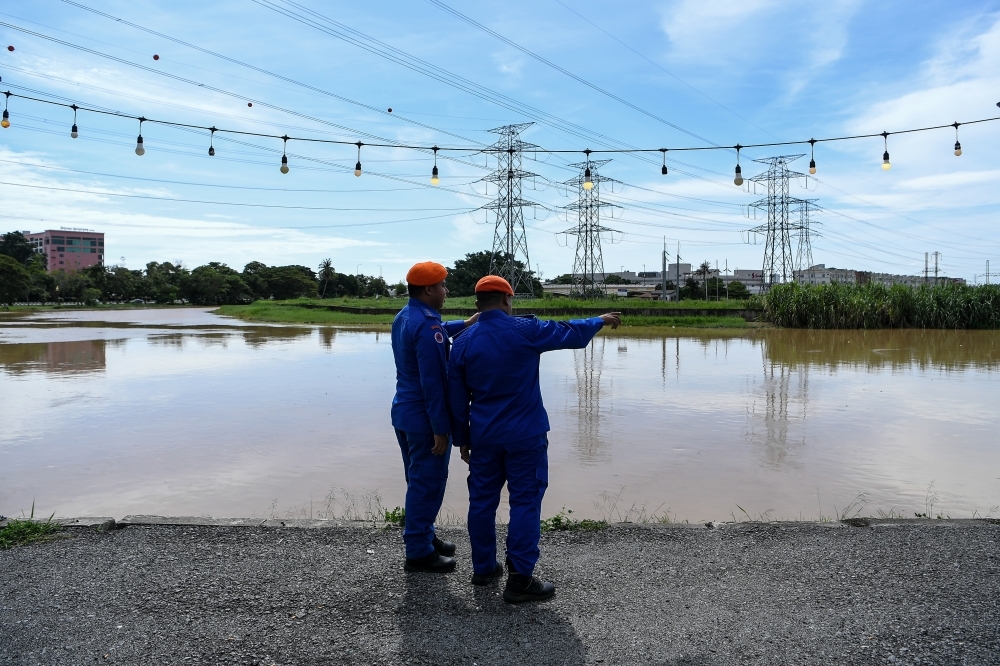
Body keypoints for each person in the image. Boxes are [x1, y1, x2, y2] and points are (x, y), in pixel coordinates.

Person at [448, 275, 621, 602]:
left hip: (483, 435)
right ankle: (520, 580)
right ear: (507, 299)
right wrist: (598, 319)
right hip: (525, 434)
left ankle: (484, 568)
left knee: (481, 502)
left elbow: (456, 398)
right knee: (525, 501)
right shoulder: (525, 330)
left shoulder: (463, 341)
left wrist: (462, 438)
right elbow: (569, 332)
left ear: (477, 303)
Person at [391, 261, 478, 573]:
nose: (446, 290)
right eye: (442, 285)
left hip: (405, 411)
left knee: (417, 479)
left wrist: (467, 322)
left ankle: (425, 535)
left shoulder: (406, 315)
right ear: (429, 289)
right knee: (427, 484)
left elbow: (438, 333)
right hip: (424, 419)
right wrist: (441, 428)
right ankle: (417, 551)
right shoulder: (426, 326)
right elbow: (434, 382)